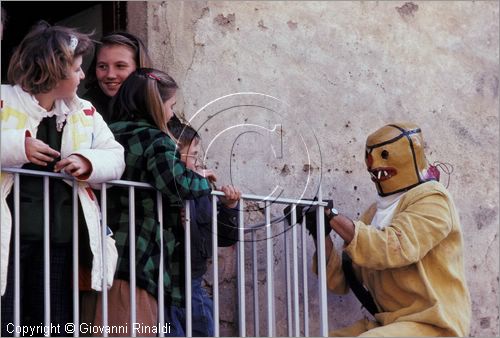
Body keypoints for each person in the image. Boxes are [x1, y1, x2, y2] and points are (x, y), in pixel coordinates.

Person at [0, 21, 125, 336]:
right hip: (9, 239)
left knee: (53, 323)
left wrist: (87, 161)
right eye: (78, 68)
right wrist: (19, 146)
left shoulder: (84, 111)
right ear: (53, 70)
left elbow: (116, 155)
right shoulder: (3, 101)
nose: (84, 76)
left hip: (59, 241)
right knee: (6, 317)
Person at [312, 122, 471, 336]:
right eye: (370, 157)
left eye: (384, 154)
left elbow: (395, 247)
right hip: (390, 324)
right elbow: (341, 281)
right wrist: (320, 233)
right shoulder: (373, 215)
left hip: (434, 326)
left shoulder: (433, 200)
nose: (372, 164)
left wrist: (332, 217)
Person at [93, 68, 213, 335]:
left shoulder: (106, 132)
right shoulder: (156, 139)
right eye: (171, 106)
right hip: (139, 248)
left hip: (103, 241)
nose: (172, 114)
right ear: (156, 105)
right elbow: (176, 183)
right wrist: (206, 183)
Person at [166, 121, 241, 336]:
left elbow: (225, 237)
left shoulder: (202, 188)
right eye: (192, 156)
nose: (197, 163)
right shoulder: (166, 186)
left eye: (197, 155)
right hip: (167, 286)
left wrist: (229, 207)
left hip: (193, 286)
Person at [83, 31, 152, 123]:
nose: (110, 75)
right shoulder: (83, 111)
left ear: (139, 68)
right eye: (102, 66)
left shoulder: (157, 105)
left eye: (120, 66)